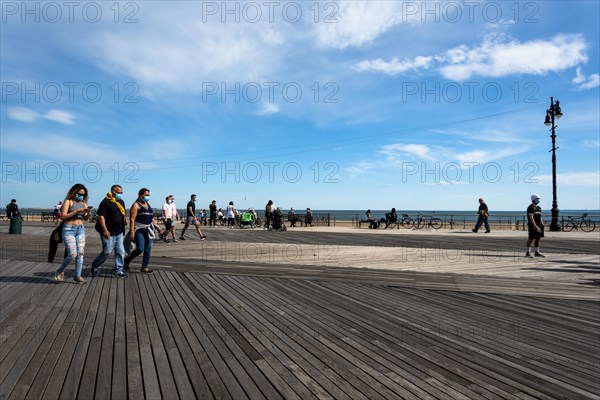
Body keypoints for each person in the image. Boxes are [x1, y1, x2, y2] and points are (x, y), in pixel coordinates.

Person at [54, 184, 92, 284]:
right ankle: (60, 270)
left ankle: (77, 275)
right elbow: (63, 216)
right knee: (72, 254)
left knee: (80, 254)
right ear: (74, 192)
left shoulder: (83, 203)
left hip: (80, 229)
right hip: (69, 229)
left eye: (83, 195)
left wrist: (88, 213)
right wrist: (76, 211)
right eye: (79, 194)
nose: (81, 196)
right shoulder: (68, 201)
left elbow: (85, 218)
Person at [90, 185, 127, 278]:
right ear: (113, 191)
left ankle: (118, 270)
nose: (120, 194)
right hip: (108, 231)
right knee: (107, 251)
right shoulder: (105, 202)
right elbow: (101, 216)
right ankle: (95, 265)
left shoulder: (121, 202)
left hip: (119, 231)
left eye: (121, 192)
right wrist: (105, 230)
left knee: (120, 251)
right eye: (119, 192)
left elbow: (122, 213)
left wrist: (124, 222)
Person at [124, 188, 155, 273]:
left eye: (149, 195)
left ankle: (144, 267)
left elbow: (151, 217)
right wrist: (132, 232)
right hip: (139, 230)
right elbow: (132, 220)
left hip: (148, 230)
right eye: (146, 195)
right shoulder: (136, 205)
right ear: (141, 195)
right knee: (140, 248)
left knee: (148, 249)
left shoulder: (147, 204)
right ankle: (127, 260)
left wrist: (158, 227)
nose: (148, 197)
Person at [526, 194, 545, 258]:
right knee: (531, 238)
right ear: (533, 200)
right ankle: (528, 252)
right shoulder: (530, 207)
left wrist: (542, 223)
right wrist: (534, 225)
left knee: (538, 239)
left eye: (539, 199)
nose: (538, 200)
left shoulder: (539, 207)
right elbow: (531, 217)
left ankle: (537, 252)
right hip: (533, 226)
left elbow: (540, 217)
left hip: (539, 226)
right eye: (537, 199)